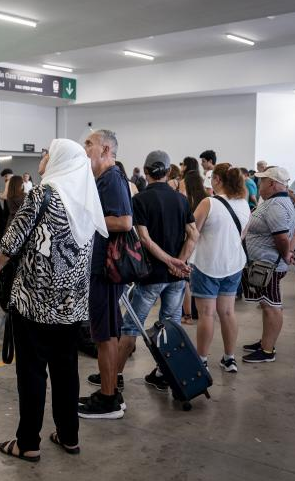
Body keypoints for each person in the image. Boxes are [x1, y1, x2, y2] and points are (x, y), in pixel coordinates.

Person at [0, 138, 107, 462]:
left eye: (48, 153)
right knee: (66, 371)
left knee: (32, 373)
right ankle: (69, 436)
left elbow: (10, 243)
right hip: (71, 306)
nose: (43, 158)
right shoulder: (86, 197)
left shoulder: (42, 194)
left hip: (34, 302)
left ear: (59, 159)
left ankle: (28, 442)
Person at [103, 151, 197, 398]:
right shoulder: (181, 200)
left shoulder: (141, 200)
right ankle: (164, 375)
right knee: (170, 326)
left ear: (145, 172)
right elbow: (193, 234)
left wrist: (169, 261)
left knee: (131, 327)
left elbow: (144, 239)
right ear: (169, 172)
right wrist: (179, 263)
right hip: (176, 278)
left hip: (151, 275)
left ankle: (115, 377)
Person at [78, 129, 132, 420]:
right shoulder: (103, 179)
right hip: (102, 269)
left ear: (106, 149)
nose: (85, 147)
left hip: (106, 271)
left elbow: (124, 221)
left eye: (90, 143)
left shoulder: (111, 178)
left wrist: (83, 217)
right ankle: (109, 393)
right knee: (105, 333)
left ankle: (108, 399)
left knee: (105, 334)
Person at [189, 163, 250, 372]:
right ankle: (229, 358)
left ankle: (202, 360)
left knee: (207, 314)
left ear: (217, 180)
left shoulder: (208, 203)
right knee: (228, 312)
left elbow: (192, 232)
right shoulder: (244, 204)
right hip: (233, 264)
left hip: (207, 264)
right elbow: (242, 234)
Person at [242, 166, 295, 364]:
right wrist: (288, 253)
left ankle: (267, 350)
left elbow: (281, 237)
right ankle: (266, 341)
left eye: (262, 181)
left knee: (272, 306)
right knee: (267, 304)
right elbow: (294, 232)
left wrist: (286, 254)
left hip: (268, 266)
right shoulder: (277, 202)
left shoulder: (276, 205)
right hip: (265, 264)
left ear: (272, 184)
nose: (259, 185)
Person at [179, 156, 208, 323]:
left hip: (188, 238)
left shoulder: (184, 189)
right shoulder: (205, 194)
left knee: (185, 279)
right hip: (202, 240)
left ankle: (187, 315)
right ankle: (196, 312)